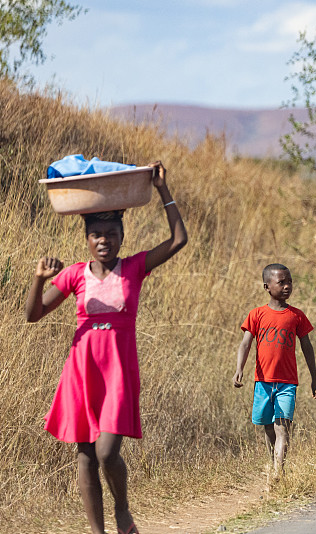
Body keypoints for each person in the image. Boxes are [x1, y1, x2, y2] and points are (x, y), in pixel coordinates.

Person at [25, 162, 187, 534]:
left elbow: (178, 240)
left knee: (106, 451)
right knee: (84, 454)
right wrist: (38, 280)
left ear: (121, 236)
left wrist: (162, 189)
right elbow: (33, 314)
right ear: (87, 239)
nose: (103, 241)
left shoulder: (133, 268)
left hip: (117, 372)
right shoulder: (74, 275)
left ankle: (123, 512)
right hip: (82, 372)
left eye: (110, 234)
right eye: (96, 234)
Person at [233, 263, 316, 486]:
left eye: (289, 281)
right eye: (281, 282)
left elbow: (307, 348)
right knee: (268, 427)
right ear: (267, 286)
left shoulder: (297, 316)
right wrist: (239, 370)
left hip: (287, 383)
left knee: (283, 427)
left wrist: (314, 377)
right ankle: (274, 461)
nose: (287, 286)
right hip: (262, 382)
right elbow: (245, 344)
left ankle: (277, 475)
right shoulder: (257, 314)